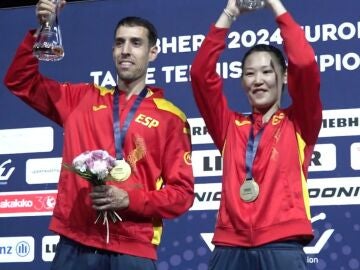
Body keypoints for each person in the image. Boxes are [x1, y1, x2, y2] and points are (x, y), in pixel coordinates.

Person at [4, 0, 194, 269]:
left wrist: (131, 200)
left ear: (153, 52)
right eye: (119, 43)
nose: (125, 51)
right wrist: (43, 29)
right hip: (75, 242)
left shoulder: (170, 118)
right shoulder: (81, 99)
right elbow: (19, 80)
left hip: (133, 249)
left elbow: (182, 194)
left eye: (136, 43)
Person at [190, 0, 322, 269]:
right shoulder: (228, 126)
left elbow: (305, 64)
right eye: (250, 73)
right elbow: (200, 74)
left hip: (283, 243)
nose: (258, 80)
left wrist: (275, 5)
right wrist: (230, 12)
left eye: (266, 72)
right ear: (242, 81)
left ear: (284, 77)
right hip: (230, 246)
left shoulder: (299, 123)